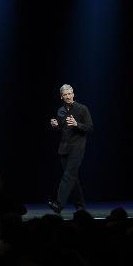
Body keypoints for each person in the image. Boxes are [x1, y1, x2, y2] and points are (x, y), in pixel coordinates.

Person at [48, 84, 93, 213]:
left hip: (77, 147)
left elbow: (90, 127)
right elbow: (63, 129)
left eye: (69, 94)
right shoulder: (60, 111)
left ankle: (59, 204)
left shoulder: (82, 109)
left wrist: (77, 124)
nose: (68, 96)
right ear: (61, 97)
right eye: (65, 94)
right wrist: (55, 125)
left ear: (73, 94)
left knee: (68, 175)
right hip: (64, 148)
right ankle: (80, 205)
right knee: (72, 177)